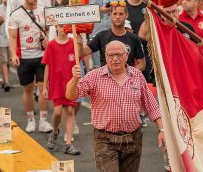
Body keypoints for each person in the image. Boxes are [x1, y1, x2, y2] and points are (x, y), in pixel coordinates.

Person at [66, 40, 166, 171]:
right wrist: (74, 79)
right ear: (105, 57)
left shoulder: (137, 75)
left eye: (119, 55)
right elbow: (71, 95)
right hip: (105, 139)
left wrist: (162, 130)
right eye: (110, 55)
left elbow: (151, 105)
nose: (115, 59)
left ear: (126, 55)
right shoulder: (94, 76)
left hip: (133, 138)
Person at [8, 0, 53, 133]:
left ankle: (44, 121)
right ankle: (30, 120)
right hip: (24, 57)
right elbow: (13, 37)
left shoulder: (43, 11)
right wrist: (14, 54)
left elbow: (48, 30)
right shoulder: (15, 15)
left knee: (43, 88)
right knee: (27, 89)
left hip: (41, 55)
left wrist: (47, 39)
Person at [42, 25, 80, 155]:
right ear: (56, 27)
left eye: (66, 26)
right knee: (57, 112)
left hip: (70, 83)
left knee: (70, 111)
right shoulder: (51, 45)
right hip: (56, 83)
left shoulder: (73, 43)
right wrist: (44, 86)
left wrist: (79, 45)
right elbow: (47, 66)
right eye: (60, 26)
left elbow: (78, 62)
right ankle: (55, 131)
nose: (63, 28)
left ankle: (69, 143)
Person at [78, 2, 145, 71]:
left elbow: (142, 64)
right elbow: (82, 53)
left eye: (121, 14)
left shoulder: (134, 38)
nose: (118, 17)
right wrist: (79, 44)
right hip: (106, 79)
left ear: (126, 15)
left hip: (127, 80)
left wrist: (129, 75)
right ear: (110, 15)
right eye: (115, 14)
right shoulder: (101, 36)